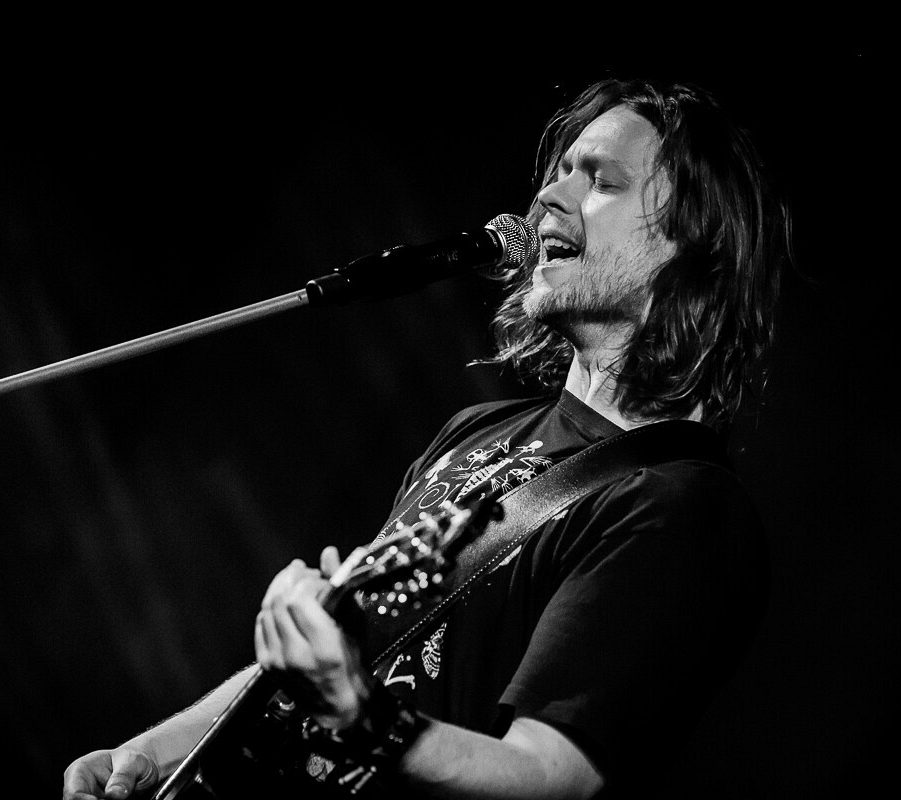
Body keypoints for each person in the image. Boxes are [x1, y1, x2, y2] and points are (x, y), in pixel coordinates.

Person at [62, 78, 793, 799]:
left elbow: (552, 777)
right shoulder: (474, 430)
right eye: (560, 170)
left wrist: (368, 722)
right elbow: (336, 660)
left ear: (696, 246)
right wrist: (151, 752)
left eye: (601, 181)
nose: (549, 196)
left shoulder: (683, 508)